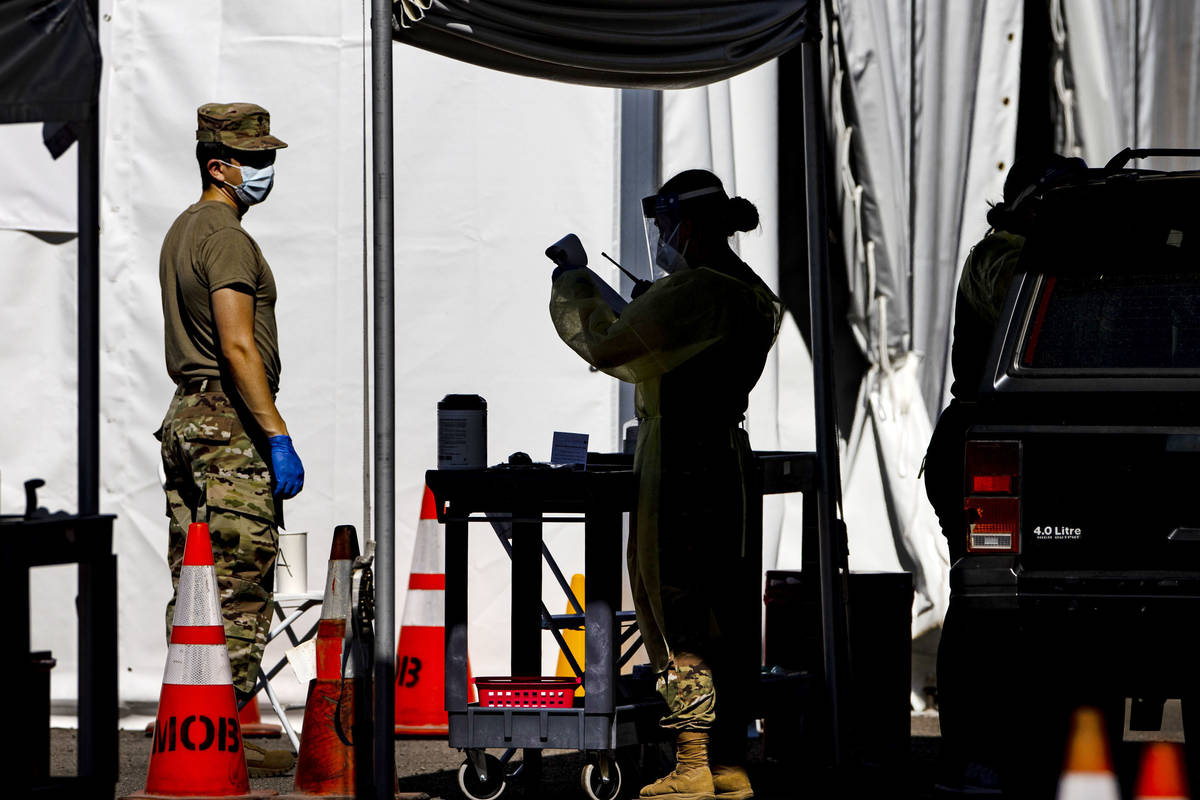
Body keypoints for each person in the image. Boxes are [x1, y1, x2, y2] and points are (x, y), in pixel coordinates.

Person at [549, 169, 782, 800]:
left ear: (686, 225)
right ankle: (729, 759)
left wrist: (572, 278)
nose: (659, 237)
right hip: (727, 460)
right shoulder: (749, 290)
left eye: (663, 225)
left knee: (676, 609)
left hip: (681, 461)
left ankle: (692, 762)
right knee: (721, 614)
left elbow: (610, 345)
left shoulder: (697, 290)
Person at [924, 154, 1086, 796]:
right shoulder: (1003, 254)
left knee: (1038, 608)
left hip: (1038, 452)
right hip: (986, 450)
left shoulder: (1055, 254)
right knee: (987, 602)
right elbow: (1033, 313)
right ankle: (974, 756)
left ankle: (1032, 751)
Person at [155, 102, 304, 776]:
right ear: (220, 165)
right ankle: (217, 734)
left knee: (194, 583)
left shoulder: (183, 230)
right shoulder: (227, 237)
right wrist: (275, 432)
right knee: (241, 580)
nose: (267, 171)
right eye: (257, 160)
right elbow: (237, 342)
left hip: (187, 415)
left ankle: (195, 720)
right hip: (226, 422)